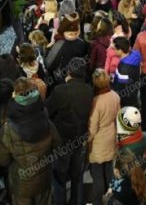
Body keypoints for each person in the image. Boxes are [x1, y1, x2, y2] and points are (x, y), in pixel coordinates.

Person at [0, 78, 61, 205]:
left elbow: (2, 160)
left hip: (21, 185)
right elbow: (58, 145)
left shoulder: (8, 128)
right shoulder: (46, 119)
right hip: (43, 180)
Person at [46, 57, 93, 205]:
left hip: (62, 140)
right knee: (77, 176)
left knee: (59, 177)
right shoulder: (89, 90)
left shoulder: (60, 90)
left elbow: (48, 110)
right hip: (80, 139)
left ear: (70, 71)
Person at [88, 70, 121, 205]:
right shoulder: (115, 96)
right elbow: (118, 117)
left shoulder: (96, 102)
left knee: (97, 176)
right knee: (109, 172)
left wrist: (86, 140)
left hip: (98, 143)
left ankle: (96, 201)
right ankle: (113, 199)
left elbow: (92, 128)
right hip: (111, 137)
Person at [111, 36, 142, 107]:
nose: (113, 51)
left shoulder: (123, 69)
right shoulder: (135, 54)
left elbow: (120, 88)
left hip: (126, 101)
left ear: (120, 50)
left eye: (114, 49)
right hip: (134, 93)